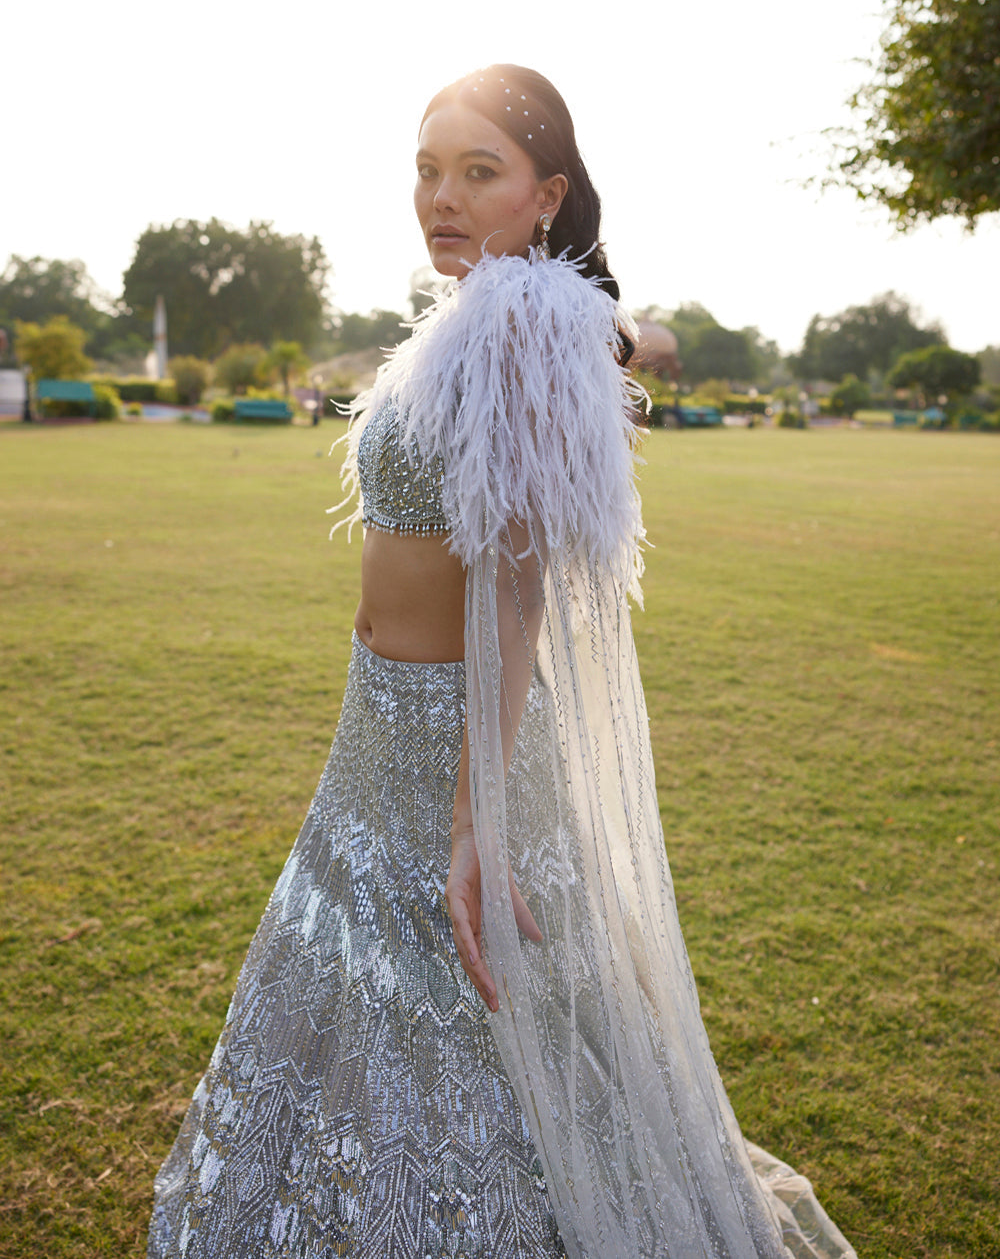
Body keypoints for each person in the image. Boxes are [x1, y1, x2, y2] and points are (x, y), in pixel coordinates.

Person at [148, 66, 857, 1259]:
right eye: (427, 170)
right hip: (375, 723)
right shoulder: (486, 317)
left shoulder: (522, 319)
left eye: (479, 172)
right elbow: (616, 343)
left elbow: (517, 586)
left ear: (547, 195)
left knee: (463, 989)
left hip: (456, 735)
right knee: (384, 985)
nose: (442, 196)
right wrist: (629, 330)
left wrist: (479, 809)